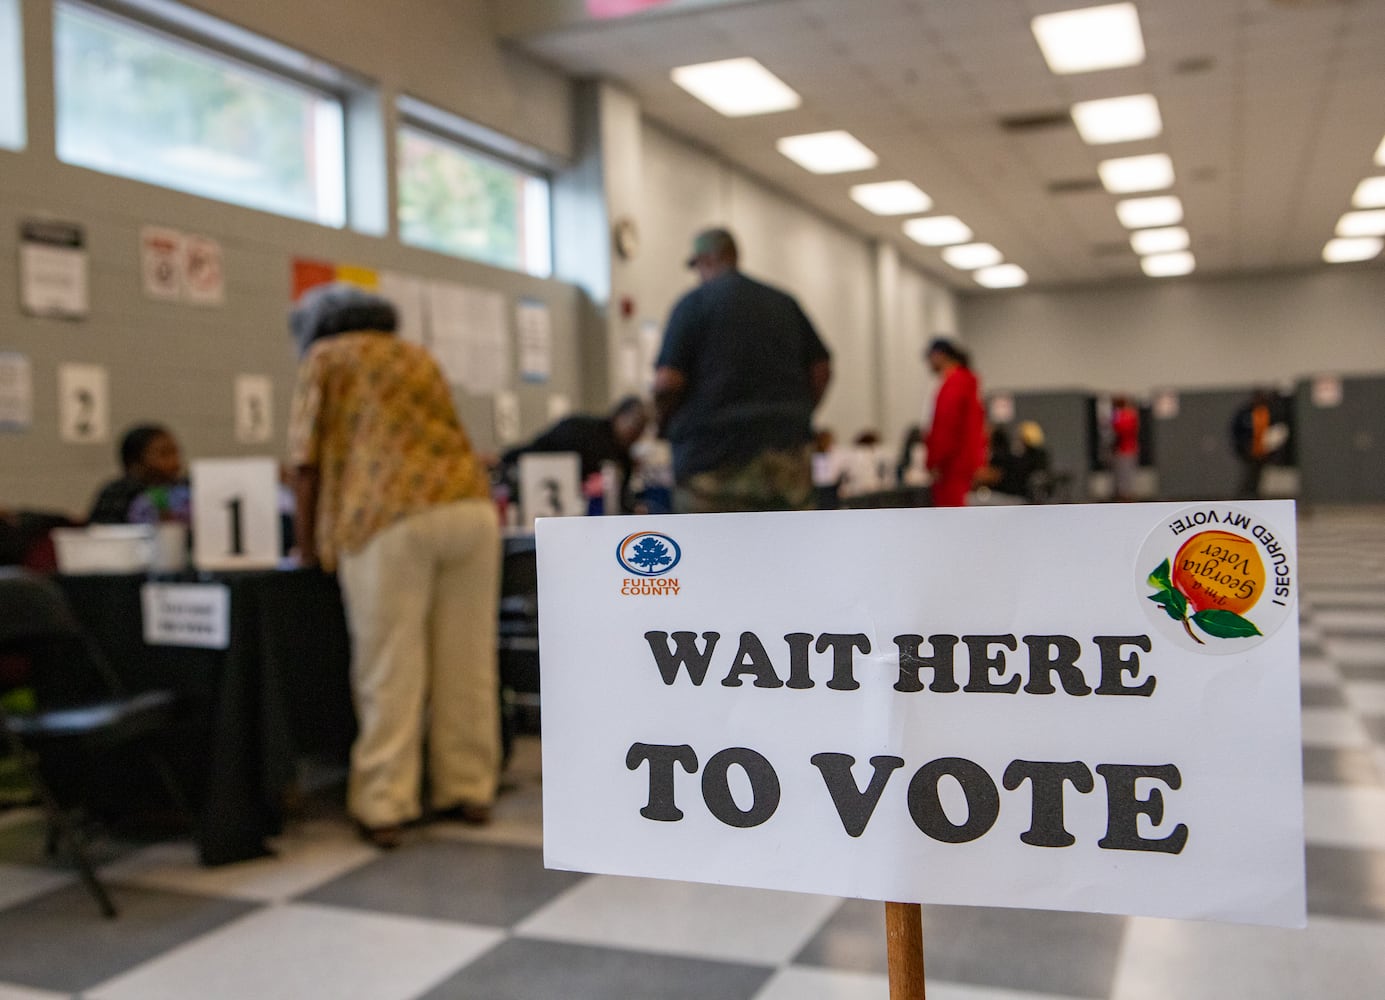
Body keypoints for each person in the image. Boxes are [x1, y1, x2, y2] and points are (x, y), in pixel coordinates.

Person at [287, 283, 501, 849]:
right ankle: (468, 787)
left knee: (389, 667)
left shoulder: (326, 358)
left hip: (386, 516)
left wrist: (305, 546)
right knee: (468, 662)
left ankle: (386, 802)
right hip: (469, 508)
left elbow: (304, 461)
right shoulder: (418, 355)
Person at [653, 227, 832, 513]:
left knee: (711, 551)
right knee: (791, 549)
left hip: (712, 460)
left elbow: (668, 382)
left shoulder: (693, 304)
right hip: (786, 457)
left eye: (697, 265)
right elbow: (821, 368)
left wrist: (663, 423)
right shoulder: (783, 303)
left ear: (707, 259)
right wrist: (802, 411)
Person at [501, 397, 648, 513]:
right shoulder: (580, 430)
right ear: (619, 416)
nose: (635, 434)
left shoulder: (624, 457)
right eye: (634, 425)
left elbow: (622, 497)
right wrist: (503, 458)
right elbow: (535, 450)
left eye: (641, 429)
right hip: (558, 501)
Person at [922, 338, 986, 507]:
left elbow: (946, 427)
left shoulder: (954, 384)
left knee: (950, 519)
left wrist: (935, 461)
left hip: (952, 467)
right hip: (961, 464)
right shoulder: (966, 382)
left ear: (939, 356)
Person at [88, 424, 184, 524]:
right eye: (164, 454)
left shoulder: (182, 492)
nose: (175, 462)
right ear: (134, 462)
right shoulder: (118, 493)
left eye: (175, 453)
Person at [1231, 389, 1273, 499]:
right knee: (1248, 476)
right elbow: (1236, 431)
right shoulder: (1246, 413)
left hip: (1264, 451)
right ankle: (1244, 497)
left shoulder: (1268, 411)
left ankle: (1256, 496)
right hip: (1249, 451)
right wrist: (1243, 447)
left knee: (1258, 477)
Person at [1110, 396, 1141, 502]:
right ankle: (1122, 493)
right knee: (1121, 473)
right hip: (1123, 449)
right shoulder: (1124, 414)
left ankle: (1125, 495)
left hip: (1126, 448)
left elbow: (1119, 430)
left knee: (1125, 473)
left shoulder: (1125, 415)